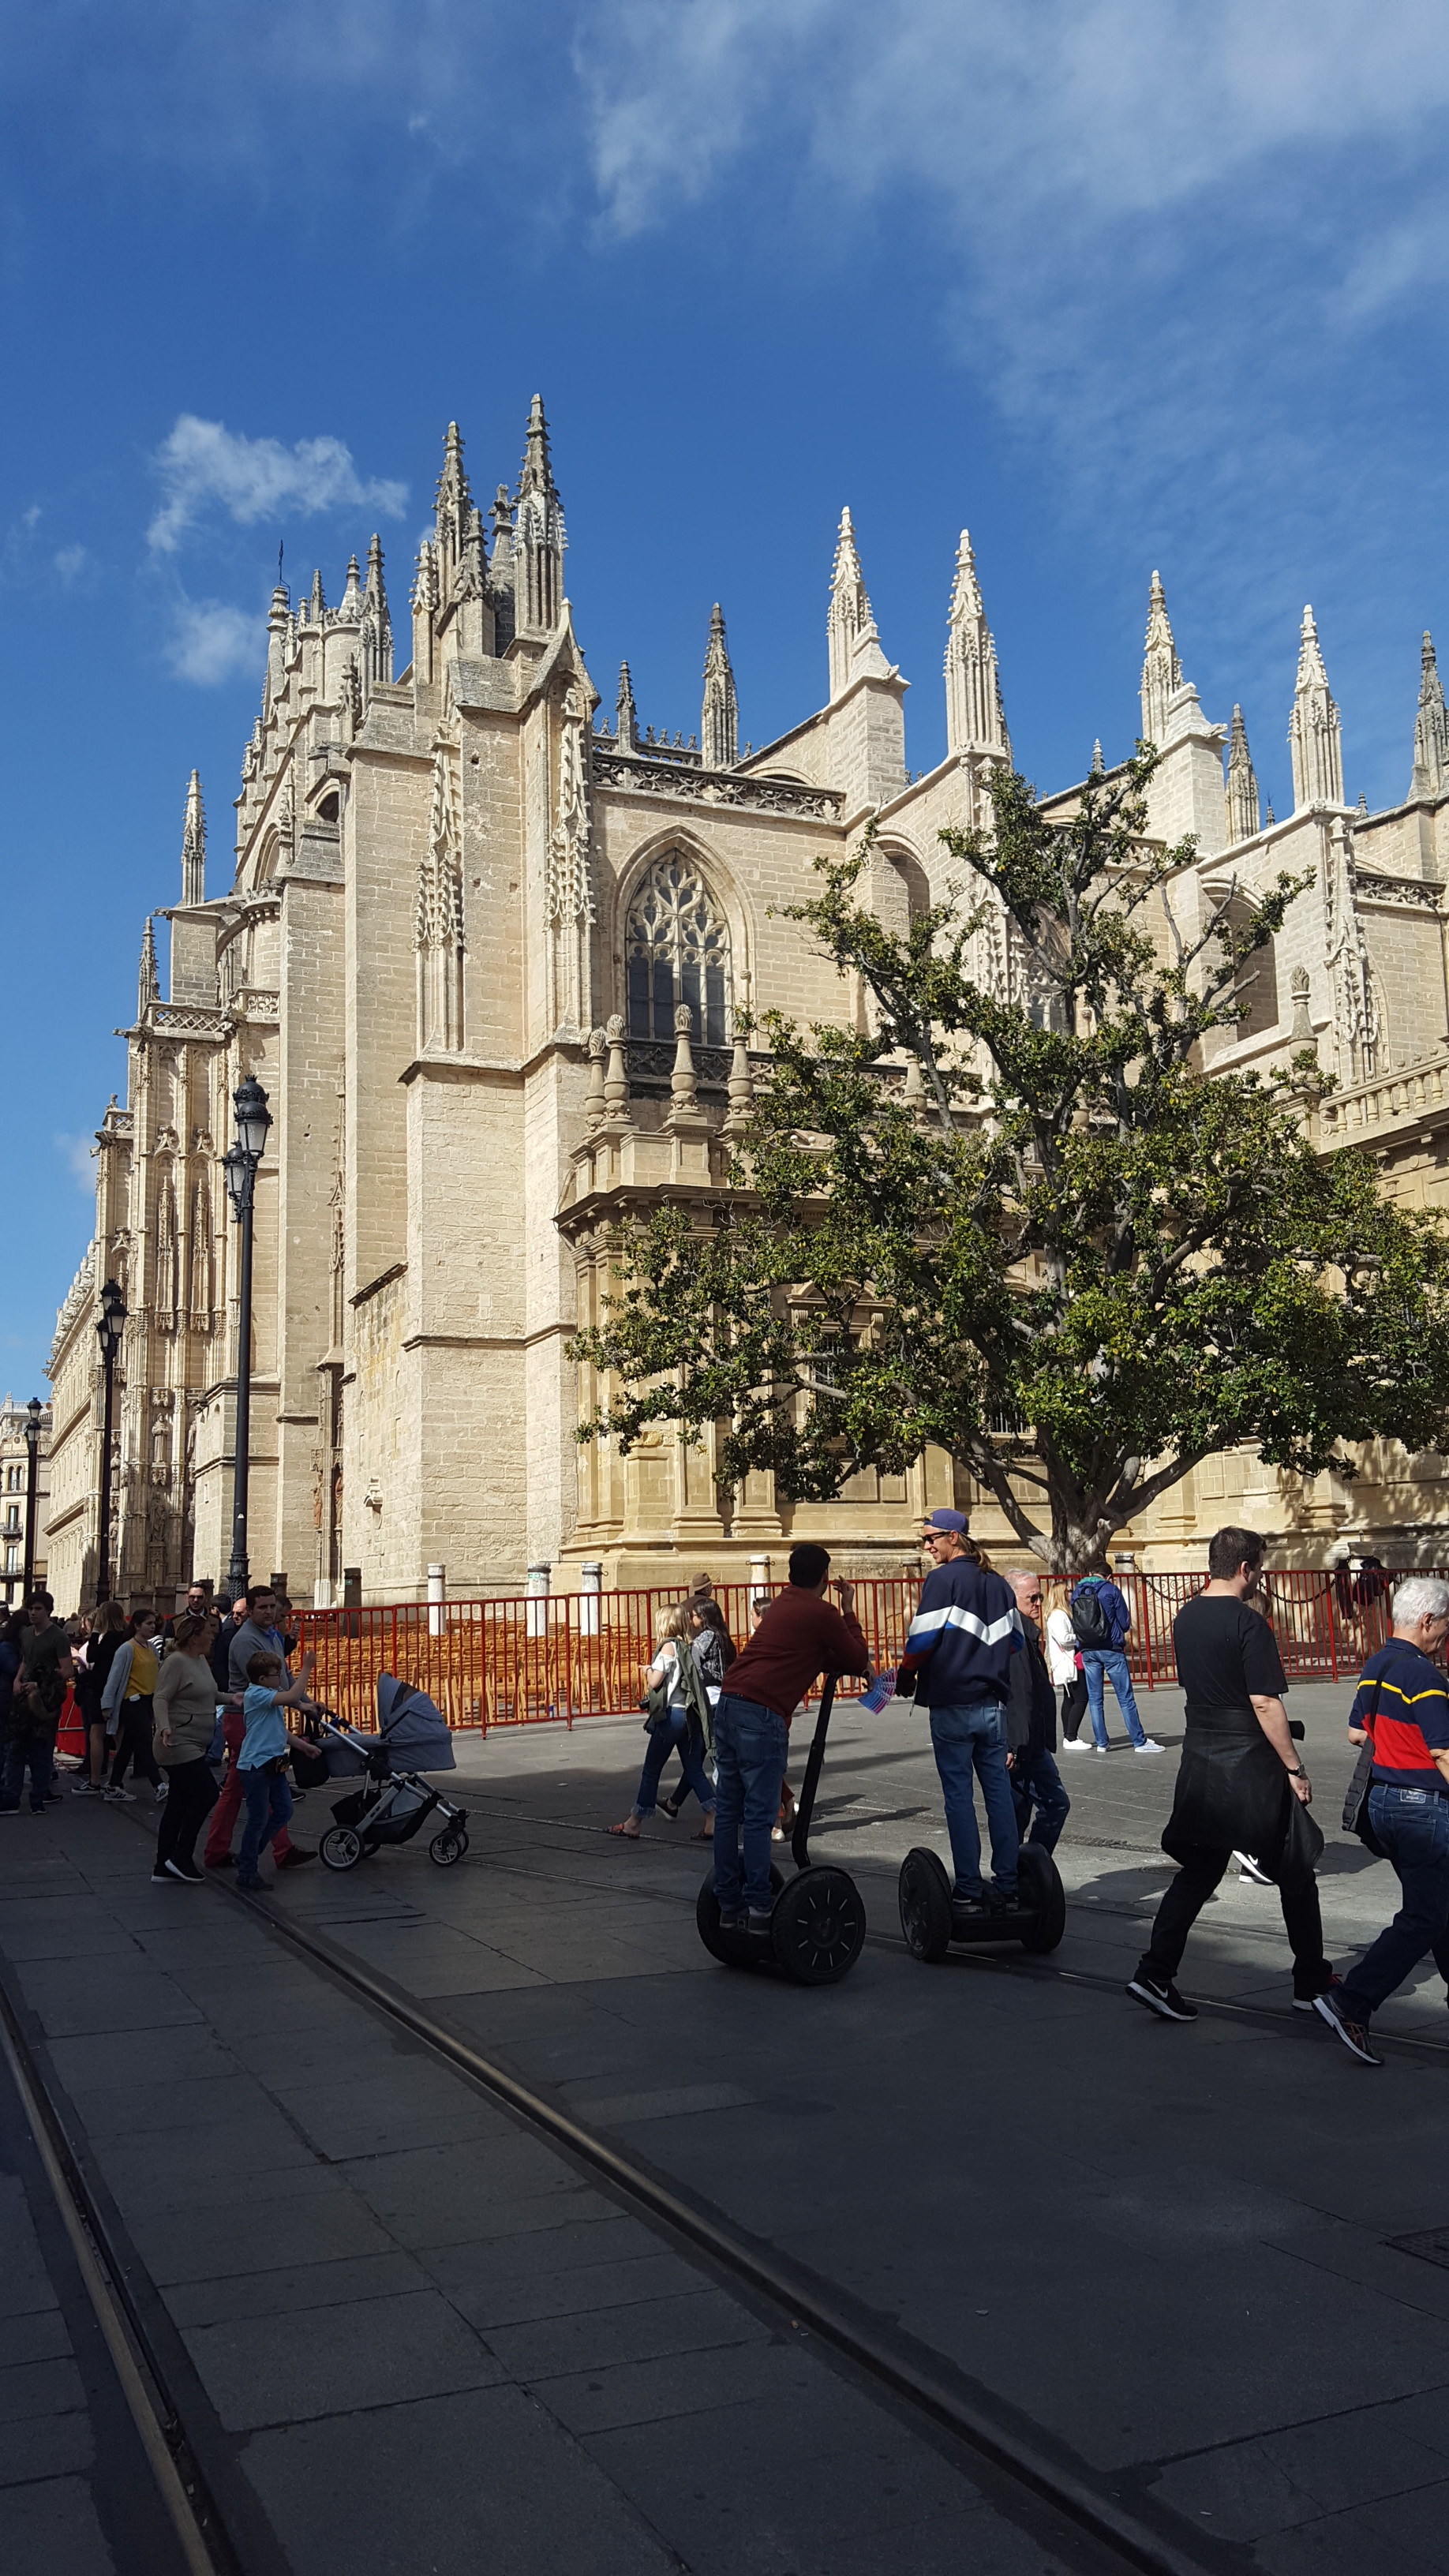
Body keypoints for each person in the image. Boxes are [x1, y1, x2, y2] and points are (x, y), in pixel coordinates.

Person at [1128, 1526, 1334, 2024]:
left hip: (1202, 1755)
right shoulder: (1247, 1623)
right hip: (1248, 1760)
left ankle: (1155, 1972)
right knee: (1296, 1865)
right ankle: (1310, 1981)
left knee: (1200, 1869)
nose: (1259, 1575)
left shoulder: (1184, 1617)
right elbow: (1264, 1702)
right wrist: (1294, 1767)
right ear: (1247, 1568)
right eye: (1259, 1567)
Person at [1315, 1576, 1449, 2069]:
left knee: (1438, 1905)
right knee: (1425, 1916)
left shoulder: (1376, 1665)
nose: (1445, 1636)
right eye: (1445, 1626)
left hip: (1382, 1805)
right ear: (1428, 1620)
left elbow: (1356, 1733)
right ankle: (1353, 2000)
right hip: (1421, 1807)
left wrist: (1394, 1745)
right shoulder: (1425, 1676)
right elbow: (1442, 1751)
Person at [711, 1543, 869, 1938]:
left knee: (730, 1812)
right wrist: (849, 1606)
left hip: (730, 1702)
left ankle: (728, 1905)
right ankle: (761, 1909)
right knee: (762, 1817)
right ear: (824, 1577)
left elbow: (807, 1653)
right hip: (761, 1713)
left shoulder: (782, 1604)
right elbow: (853, 1657)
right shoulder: (822, 1611)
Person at [896, 1509, 1022, 1915]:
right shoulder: (1000, 1584)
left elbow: (920, 1641)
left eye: (931, 1538)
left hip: (952, 1703)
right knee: (999, 1795)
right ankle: (1009, 1883)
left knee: (959, 1797)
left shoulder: (942, 1580)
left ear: (954, 1537)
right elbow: (1016, 1641)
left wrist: (906, 1674)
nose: (927, 1545)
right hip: (992, 1705)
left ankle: (968, 1887)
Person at [204, 1585, 314, 1870]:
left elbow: (284, 1675)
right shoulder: (245, 1641)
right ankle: (272, 1851)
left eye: (271, 1606)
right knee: (257, 1785)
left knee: (238, 1788)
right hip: (245, 1719)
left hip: (260, 1718)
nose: (269, 1611)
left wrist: (306, 1701)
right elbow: (265, 1683)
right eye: (262, 1607)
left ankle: (220, 1849)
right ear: (250, 1611)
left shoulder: (272, 1636)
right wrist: (298, 1702)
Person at [611, 1601, 715, 1840]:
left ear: (664, 1624)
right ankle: (713, 1814)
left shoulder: (669, 1647)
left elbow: (656, 1682)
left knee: (651, 1770)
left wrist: (647, 1670)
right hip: (689, 1716)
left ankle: (635, 1821)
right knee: (694, 1769)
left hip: (672, 1716)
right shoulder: (689, 1647)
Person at [235, 1646, 316, 1890]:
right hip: (256, 1766)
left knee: (284, 1810)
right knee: (258, 1819)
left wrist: (302, 1746)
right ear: (262, 1679)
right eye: (275, 1675)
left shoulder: (268, 1695)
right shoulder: (256, 1694)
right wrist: (307, 1668)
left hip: (272, 1764)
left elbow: (278, 1730)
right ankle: (247, 1870)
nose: (279, 1679)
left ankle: (249, 1854)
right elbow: (292, 1697)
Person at [151, 1613, 222, 1882]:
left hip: (196, 1742)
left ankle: (163, 1864)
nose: (212, 1636)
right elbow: (161, 1697)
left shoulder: (200, 1660)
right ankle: (181, 1856)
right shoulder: (176, 1661)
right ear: (194, 1637)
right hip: (177, 1742)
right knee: (206, 1794)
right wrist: (164, 1725)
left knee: (179, 1802)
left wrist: (234, 1698)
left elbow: (210, 1694)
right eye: (208, 1632)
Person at [1005, 1571, 1071, 1854]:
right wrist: (1015, 1746)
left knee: (1023, 1812)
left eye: (1040, 1597)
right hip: (1023, 1746)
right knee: (1046, 1805)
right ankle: (1024, 1869)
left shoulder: (1025, 1632)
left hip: (1031, 1743)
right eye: (1032, 1597)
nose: (1038, 1603)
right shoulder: (1015, 1635)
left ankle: (1023, 1869)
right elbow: (1020, 1695)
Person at [1069, 1568, 1161, 1754]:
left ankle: (1102, 1743)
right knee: (1126, 1698)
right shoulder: (1111, 1590)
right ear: (1109, 1576)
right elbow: (1125, 1623)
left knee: (1095, 1699)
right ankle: (1139, 1741)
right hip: (1111, 1649)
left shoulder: (1078, 1591)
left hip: (1087, 1650)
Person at [664, 1598, 734, 1829]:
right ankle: (674, 1803)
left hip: (708, 1702)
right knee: (697, 1758)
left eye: (694, 1615)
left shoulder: (705, 1637)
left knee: (712, 1758)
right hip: (722, 1698)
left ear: (703, 1617)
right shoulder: (724, 1638)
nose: (691, 1620)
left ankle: (727, 1808)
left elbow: (691, 1665)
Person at [100, 1608, 167, 1802]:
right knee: (145, 1742)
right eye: (148, 1623)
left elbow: (156, 1669)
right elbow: (114, 1677)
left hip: (147, 1700)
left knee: (128, 1746)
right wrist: (107, 1704)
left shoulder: (151, 1647)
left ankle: (113, 1786)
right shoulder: (127, 1649)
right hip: (131, 1701)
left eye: (154, 1623)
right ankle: (158, 1785)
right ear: (137, 1626)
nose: (152, 1627)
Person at [18, 1592, 73, 1804]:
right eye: (30, 1608)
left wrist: (42, 1682)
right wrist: (17, 1679)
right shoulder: (26, 1634)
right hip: (25, 1695)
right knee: (21, 1744)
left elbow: (67, 1670)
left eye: (38, 1608)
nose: (33, 1612)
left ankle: (42, 1792)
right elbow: (25, 1661)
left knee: (43, 1745)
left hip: (47, 1697)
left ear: (48, 1611)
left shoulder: (59, 1636)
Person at [0, 1612, 52, 1814]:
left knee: (24, 1749)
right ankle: (11, 1792)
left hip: (21, 1702)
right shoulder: (7, 1648)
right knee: (12, 1748)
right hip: (9, 1701)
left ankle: (33, 1795)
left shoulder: (19, 1647)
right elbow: (16, 1670)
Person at [73, 1601, 126, 1794]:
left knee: (96, 1734)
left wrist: (95, 1632)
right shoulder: (124, 1638)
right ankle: (117, 1781)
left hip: (102, 1690)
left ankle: (95, 1781)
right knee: (118, 1735)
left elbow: (93, 1655)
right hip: (119, 1690)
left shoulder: (110, 1638)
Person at [1044, 1582, 1089, 1750]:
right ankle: (1070, 1736)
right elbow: (1064, 1638)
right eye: (1068, 1591)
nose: (1071, 1593)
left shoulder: (1063, 1614)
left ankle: (1069, 1735)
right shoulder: (1058, 1615)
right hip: (1069, 1661)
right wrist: (1079, 1635)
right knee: (1081, 1698)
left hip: (1070, 1660)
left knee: (1069, 1698)